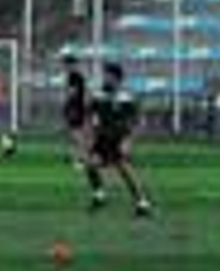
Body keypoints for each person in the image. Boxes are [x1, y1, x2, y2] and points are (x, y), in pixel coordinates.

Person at [85, 62, 153, 217]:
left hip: (119, 138)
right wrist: (89, 134)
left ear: (117, 78)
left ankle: (142, 203)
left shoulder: (126, 97)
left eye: (108, 76)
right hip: (102, 137)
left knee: (124, 170)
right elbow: (88, 114)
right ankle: (99, 195)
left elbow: (139, 121)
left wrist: (129, 140)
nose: (105, 79)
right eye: (105, 76)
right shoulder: (98, 95)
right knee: (91, 164)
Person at [61, 57, 91, 170]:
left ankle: (81, 159)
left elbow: (72, 92)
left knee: (77, 135)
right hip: (76, 107)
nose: (65, 67)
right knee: (74, 134)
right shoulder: (75, 76)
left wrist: (68, 105)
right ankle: (74, 156)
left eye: (67, 65)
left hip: (75, 108)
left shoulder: (74, 76)